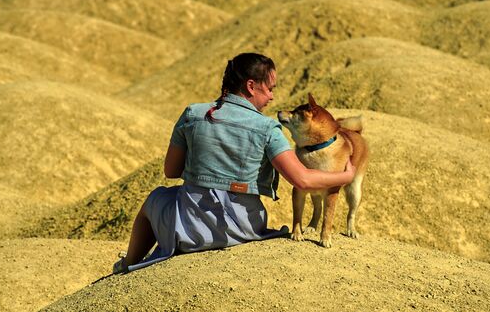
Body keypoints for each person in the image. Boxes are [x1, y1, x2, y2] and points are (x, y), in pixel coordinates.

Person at [113, 53, 356, 274]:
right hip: (244, 229)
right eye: (270, 89)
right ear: (251, 86)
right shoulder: (268, 128)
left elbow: (171, 171)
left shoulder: (192, 114)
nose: (272, 96)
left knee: (155, 199)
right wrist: (344, 177)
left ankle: (127, 264)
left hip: (190, 229)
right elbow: (302, 179)